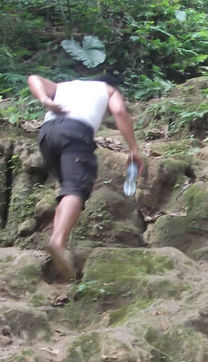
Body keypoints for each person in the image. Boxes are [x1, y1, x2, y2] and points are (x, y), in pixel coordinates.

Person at [28, 73, 144, 280]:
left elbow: (33, 78)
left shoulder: (63, 86)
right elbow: (119, 111)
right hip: (75, 132)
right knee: (76, 188)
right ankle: (58, 241)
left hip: (47, 135)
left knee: (67, 189)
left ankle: (60, 244)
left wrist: (45, 100)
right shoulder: (108, 90)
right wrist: (134, 149)